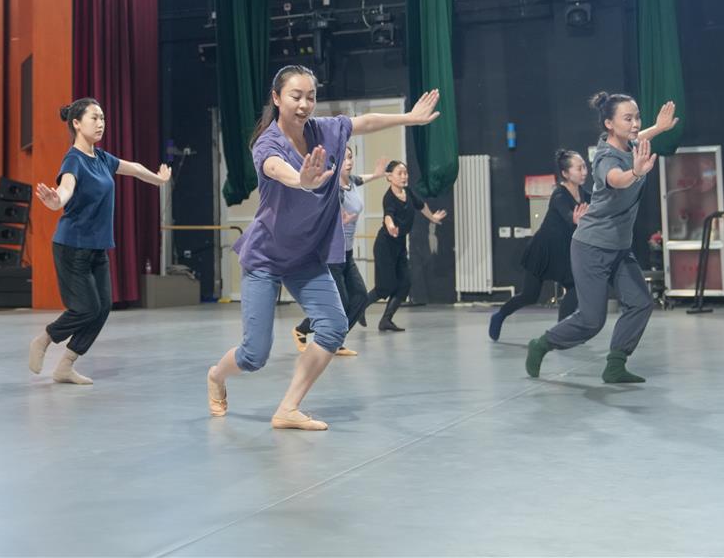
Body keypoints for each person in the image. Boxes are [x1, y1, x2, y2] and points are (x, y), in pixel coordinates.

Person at [206, 65, 440, 430]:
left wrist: (408, 118)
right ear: (276, 98)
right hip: (266, 258)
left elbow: (366, 122)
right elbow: (276, 169)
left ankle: (288, 408)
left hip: (307, 257)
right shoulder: (267, 144)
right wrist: (301, 179)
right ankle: (216, 375)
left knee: (332, 327)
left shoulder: (324, 130)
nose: (304, 104)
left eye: (310, 97)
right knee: (254, 355)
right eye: (295, 96)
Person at [525, 97, 678, 383]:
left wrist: (659, 127)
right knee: (591, 320)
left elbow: (639, 136)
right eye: (628, 119)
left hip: (619, 247)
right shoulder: (605, 157)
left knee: (640, 302)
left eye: (637, 117)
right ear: (609, 124)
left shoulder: (630, 144)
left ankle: (615, 365)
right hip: (591, 247)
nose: (635, 124)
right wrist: (636, 172)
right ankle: (542, 344)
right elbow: (616, 179)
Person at [29, 98, 171, 385]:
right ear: (76, 123)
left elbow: (133, 168)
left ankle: (65, 366)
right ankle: (44, 339)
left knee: (103, 307)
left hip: (96, 248)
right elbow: (66, 187)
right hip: (72, 247)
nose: (101, 123)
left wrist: (158, 180)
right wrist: (57, 201)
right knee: (86, 308)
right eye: (94, 118)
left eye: (103, 118)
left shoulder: (103, 159)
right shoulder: (73, 160)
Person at [292, 149, 389, 355]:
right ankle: (303, 329)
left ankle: (335, 341)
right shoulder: (332, 188)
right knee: (340, 303)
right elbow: (317, 211)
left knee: (360, 297)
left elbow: (360, 179)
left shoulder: (351, 182)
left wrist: (376, 175)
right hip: (331, 254)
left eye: (351, 157)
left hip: (347, 253)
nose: (349, 162)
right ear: (334, 163)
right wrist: (337, 221)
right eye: (344, 158)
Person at [488, 150, 590, 341]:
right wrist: (574, 219)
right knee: (529, 295)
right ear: (566, 173)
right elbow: (567, 215)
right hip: (543, 251)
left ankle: (560, 332)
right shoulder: (559, 194)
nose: (584, 171)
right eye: (579, 168)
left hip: (564, 252)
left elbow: (599, 207)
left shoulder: (584, 194)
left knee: (576, 287)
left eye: (585, 166)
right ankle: (499, 315)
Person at [368, 160, 446, 332]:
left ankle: (386, 320)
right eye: (400, 173)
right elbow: (388, 215)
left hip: (399, 245)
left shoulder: (408, 192)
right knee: (384, 288)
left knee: (404, 284)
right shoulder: (389, 197)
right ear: (389, 177)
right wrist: (390, 226)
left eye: (405, 173)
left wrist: (432, 217)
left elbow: (421, 205)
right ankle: (359, 308)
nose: (404, 176)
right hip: (385, 245)